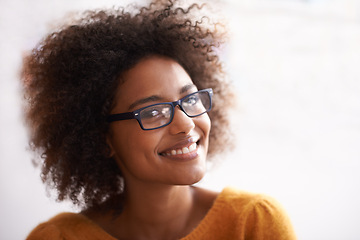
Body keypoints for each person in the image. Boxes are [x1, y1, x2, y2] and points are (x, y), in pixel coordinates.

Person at [22, 0, 296, 239]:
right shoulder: (58, 238)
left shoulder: (254, 223)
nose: (187, 124)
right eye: (153, 112)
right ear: (103, 139)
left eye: (190, 100)